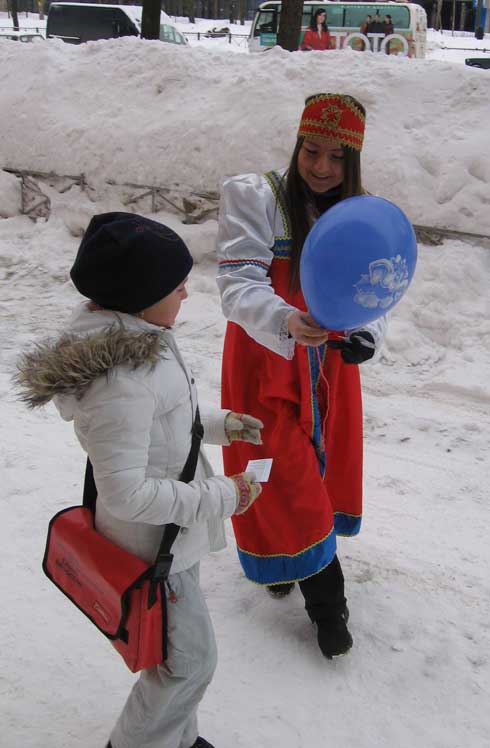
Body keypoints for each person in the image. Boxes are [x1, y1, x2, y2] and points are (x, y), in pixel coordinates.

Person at [16, 212, 264, 748]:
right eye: (176, 285)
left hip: (172, 538)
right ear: (138, 294)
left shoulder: (142, 338)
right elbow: (126, 494)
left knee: (179, 656)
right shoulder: (120, 378)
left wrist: (220, 425)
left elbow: (166, 424)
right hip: (153, 546)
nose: (185, 294)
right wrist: (225, 495)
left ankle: (176, 739)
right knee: (188, 665)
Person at [216, 94, 387, 660]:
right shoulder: (257, 198)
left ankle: (288, 559)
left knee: (316, 475)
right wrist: (286, 319)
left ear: (354, 161)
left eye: (338, 157)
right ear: (297, 144)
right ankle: (327, 602)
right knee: (278, 471)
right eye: (312, 151)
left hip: (328, 368)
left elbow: (375, 291)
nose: (321, 167)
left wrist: (367, 334)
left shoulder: (362, 213)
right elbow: (239, 285)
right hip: (264, 360)